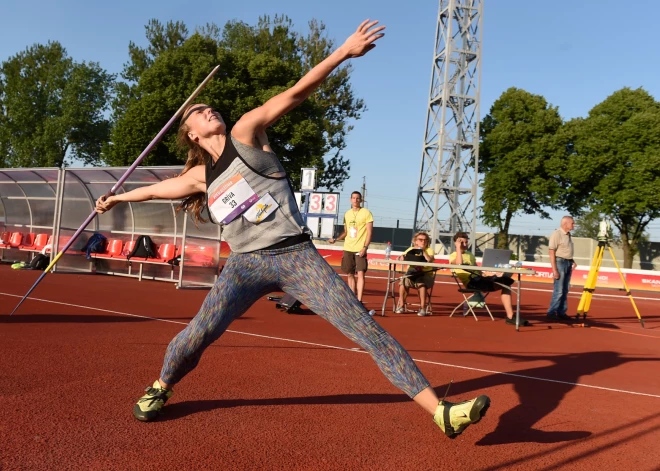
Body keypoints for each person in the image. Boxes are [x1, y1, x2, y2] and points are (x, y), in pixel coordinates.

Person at [95, 20, 490, 438]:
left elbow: (297, 92)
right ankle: (161, 385)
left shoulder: (246, 132)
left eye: (211, 108)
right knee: (199, 333)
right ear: (191, 132)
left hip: (296, 257)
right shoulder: (200, 175)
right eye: (198, 113)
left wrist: (343, 53)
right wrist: (118, 198)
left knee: (365, 329)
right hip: (244, 265)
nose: (209, 110)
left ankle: (441, 412)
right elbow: (158, 190)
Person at [449, 232, 529, 326]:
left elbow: (478, 270)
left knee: (505, 282)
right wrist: (458, 247)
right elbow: (459, 263)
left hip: (479, 279)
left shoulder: (470, 255)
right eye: (462, 243)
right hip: (471, 283)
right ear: (456, 243)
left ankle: (511, 316)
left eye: (466, 242)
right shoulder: (453, 255)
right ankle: (510, 317)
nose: (465, 245)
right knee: (504, 282)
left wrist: (487, 273)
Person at [328, 191, 373, 308]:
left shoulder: (366, 213)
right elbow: (346, 232)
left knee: (361, 273)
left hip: (360, 248)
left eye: (358, 198)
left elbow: (369, 233)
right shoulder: (347, 214)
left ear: (361, 200)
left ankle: (359, 300)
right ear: (350, 200)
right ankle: (352, 298)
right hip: (348, 247)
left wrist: (365, 247)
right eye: (353, 198)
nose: (355, 200)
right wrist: (336, 239)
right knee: (350, 274)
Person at [394, 232, 435, 316]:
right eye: (420, 240)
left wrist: (422, 250)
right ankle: (401, 306)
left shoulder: (429, 250)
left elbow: (429, 260)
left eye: (425, 240)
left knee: (421, 284)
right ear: (415, 241)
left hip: (425, 274)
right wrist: (400, 258)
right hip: (412, 274)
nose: (423, 242)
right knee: (403, 282)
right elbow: (401, 258)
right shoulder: (410, 249)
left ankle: (422, 308)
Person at [547, 216, 576, 322]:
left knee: (565, 289)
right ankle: (551, 312)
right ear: (565, 223)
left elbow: (565, 250)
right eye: (572, 223)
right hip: (560, 263)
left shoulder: (568, 235)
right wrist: (555, 270)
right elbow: (551, 252)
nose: (574, 225)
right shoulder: (557, 234)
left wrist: (572, 260)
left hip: (567, 262)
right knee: (559, 290)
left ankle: (561, 311)